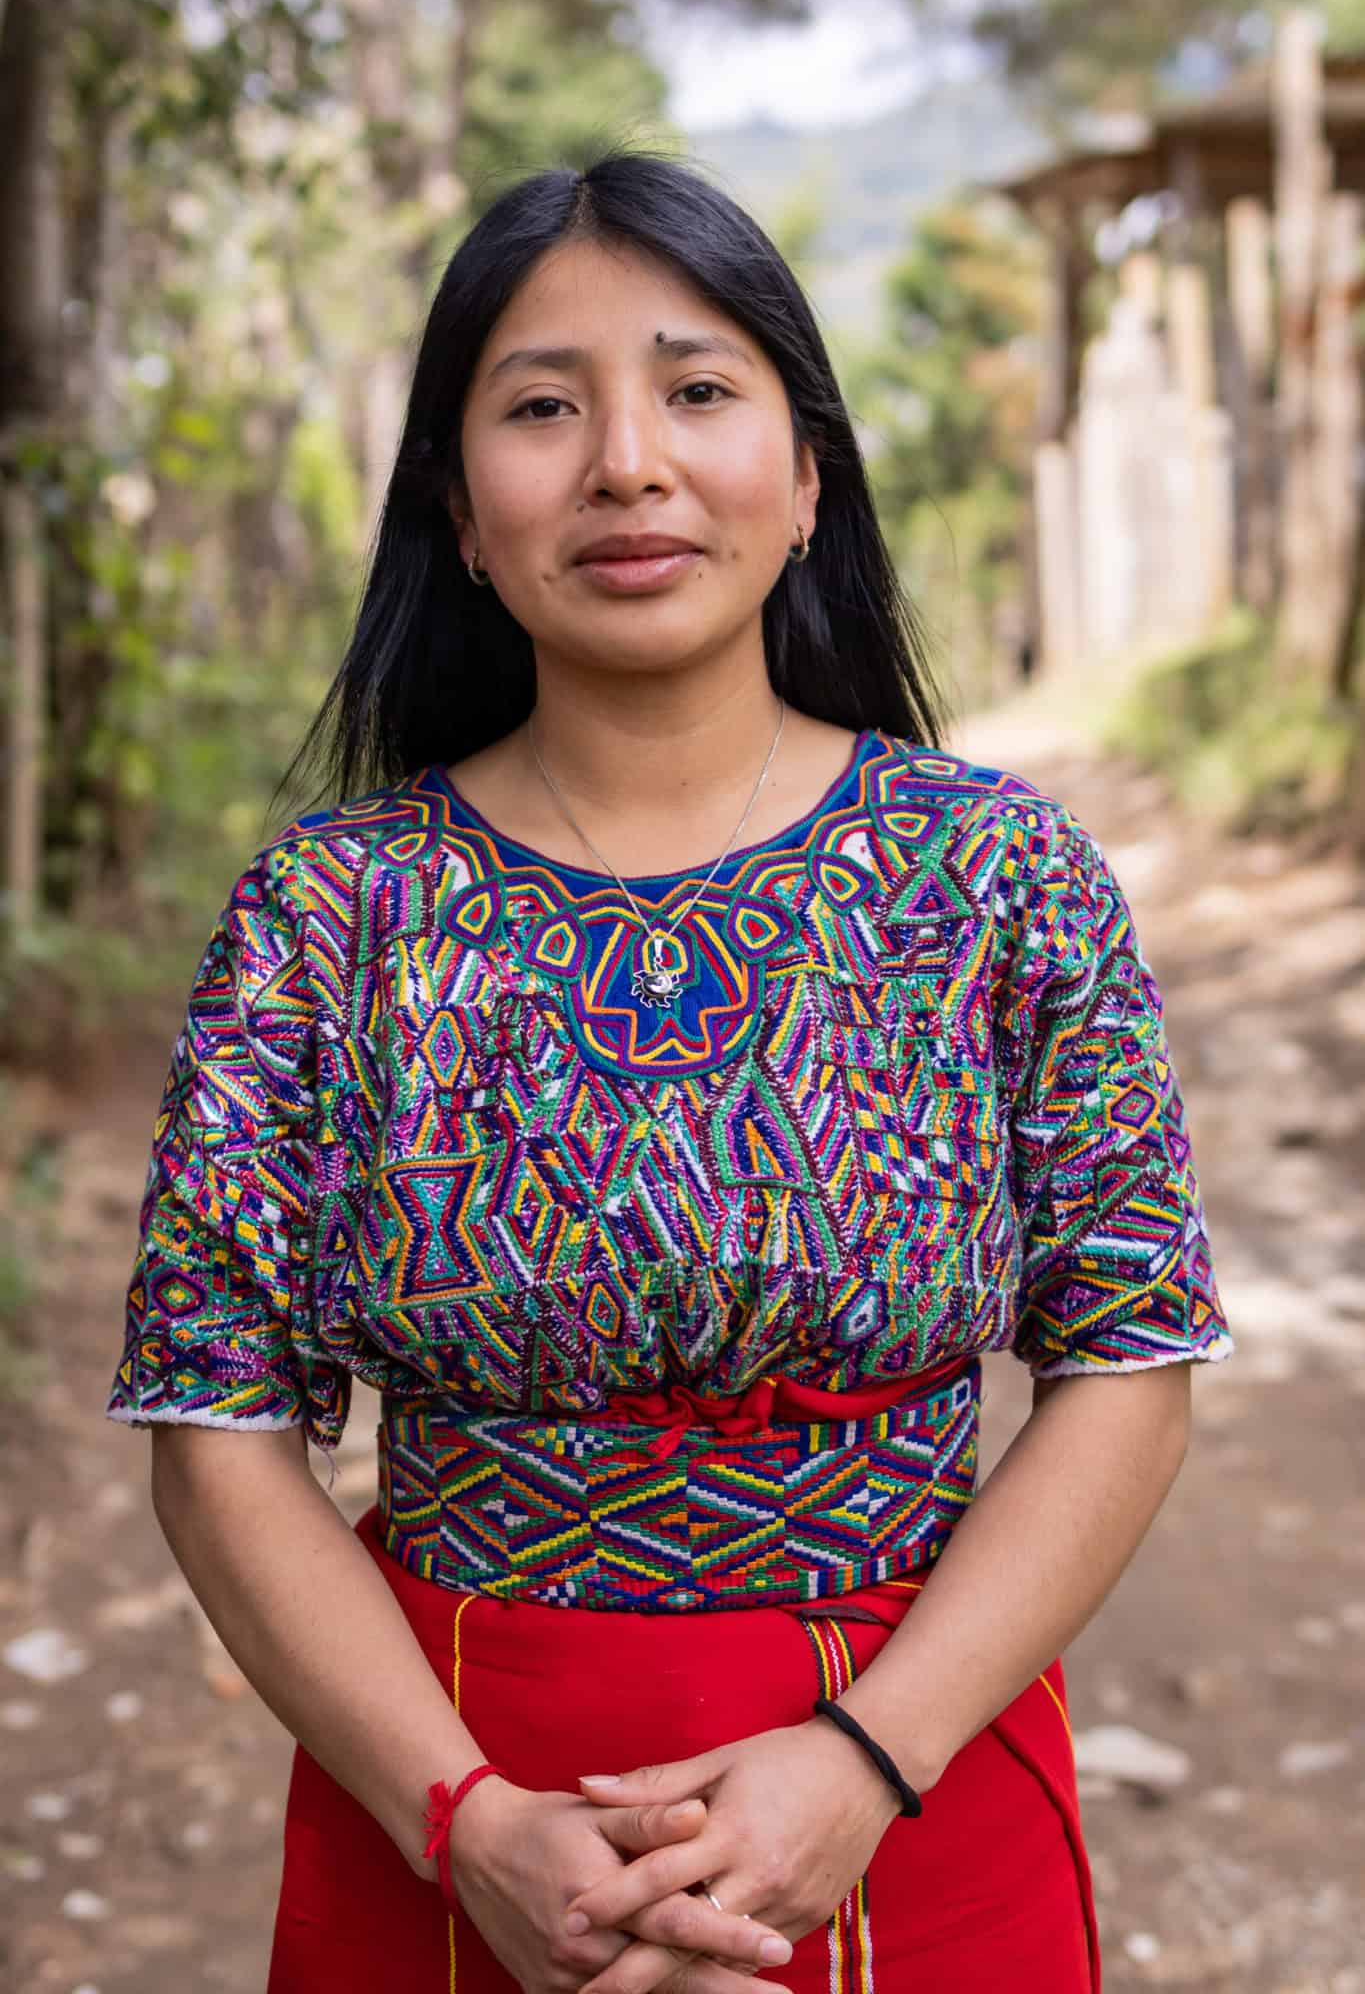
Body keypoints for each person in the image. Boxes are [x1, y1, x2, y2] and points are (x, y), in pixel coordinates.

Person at [105, 147, 1232, 1994]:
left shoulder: (995, 875)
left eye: (698, 391)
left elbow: (1128, 1361)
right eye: (541, 407)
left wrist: (864, 1762)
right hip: (457, 1798)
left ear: (804, 480)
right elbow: (214, 1437)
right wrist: (465, 1821)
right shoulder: (331, 919)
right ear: (461, 512)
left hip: (914, 1782)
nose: (626, 460)